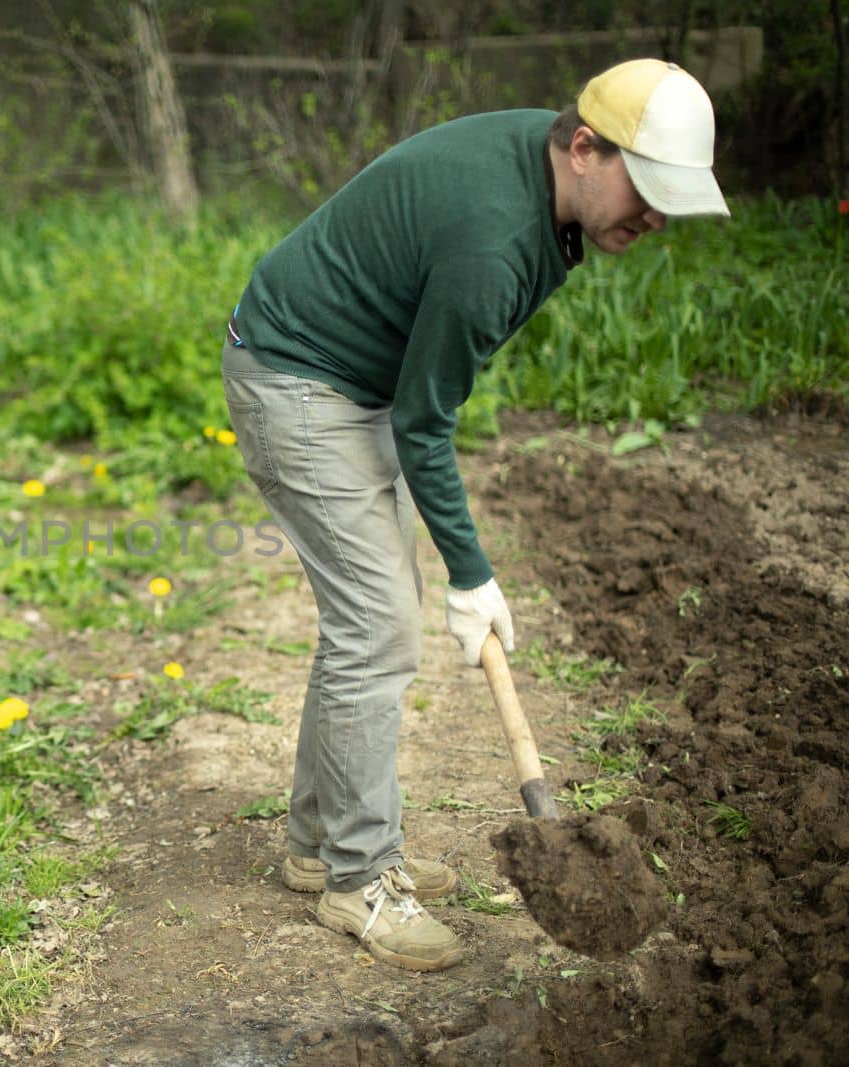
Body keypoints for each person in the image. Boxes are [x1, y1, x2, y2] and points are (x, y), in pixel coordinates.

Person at [222, 59, 728, 971]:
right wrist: (471, 573)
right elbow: (426, 418)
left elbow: (421, 397)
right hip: (299, 382)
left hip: (342, 373)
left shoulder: (541, 173)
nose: (654, 219)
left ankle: (315, 845)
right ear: (583, 148)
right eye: (647, 191)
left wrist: (464, 566)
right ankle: (358, 879)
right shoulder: (495, 238)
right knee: (378, 631)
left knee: (364, 625)